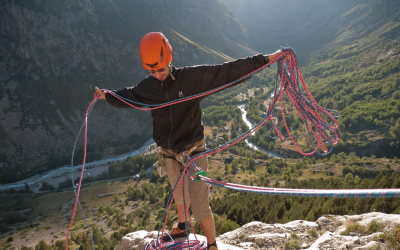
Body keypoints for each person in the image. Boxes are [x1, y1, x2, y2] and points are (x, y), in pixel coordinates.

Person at [95, 32, 286, 250]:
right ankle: (183, 227)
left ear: (169, 60)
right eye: (152, 70)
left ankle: (212, 245)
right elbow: (128, 96)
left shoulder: (191, 78)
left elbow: (226, 71)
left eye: (161, 68)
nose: (157, 74)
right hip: (168, 152)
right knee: (179, 195)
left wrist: (266, 60)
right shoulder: (147, 87)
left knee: (199, 202)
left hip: (194, 151)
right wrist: (106, 96)